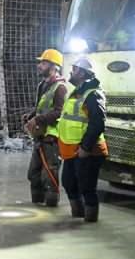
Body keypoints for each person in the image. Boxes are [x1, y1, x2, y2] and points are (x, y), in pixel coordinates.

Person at [57, 56, 108, 222]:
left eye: (75, 69)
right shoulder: (76, 92)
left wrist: (85, 148)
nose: (72, 71)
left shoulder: (93, 94)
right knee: (68, 183)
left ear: (82, 73)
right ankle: (78, 215)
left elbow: (98, 123)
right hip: (72, 150)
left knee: (87, 187)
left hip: (88, 151)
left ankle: (90, 222)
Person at [23, 49, 69, 207]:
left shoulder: (60, 88)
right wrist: (31, 116)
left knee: (49, 175)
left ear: (53, 66)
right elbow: (41, 108)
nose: (39, 66)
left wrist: (38, 119)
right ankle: (37, 205)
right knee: (33, 175)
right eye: (40, 63)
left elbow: (58, 112)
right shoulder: (43, 85)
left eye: (43, 63)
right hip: (40, 135)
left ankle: (51, 209)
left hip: (51, 138)